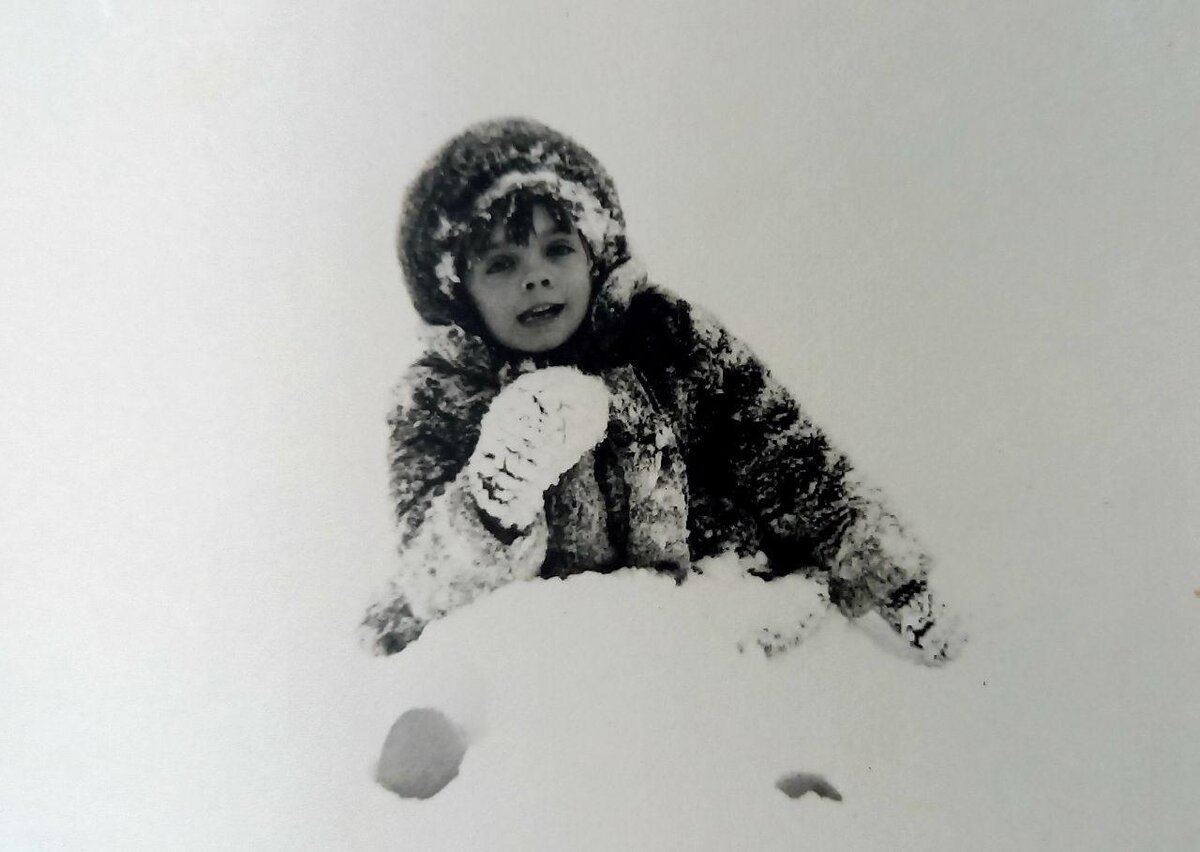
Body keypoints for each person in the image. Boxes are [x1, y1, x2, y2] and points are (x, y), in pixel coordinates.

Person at [360, 117, 965, 665]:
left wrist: (895, 581)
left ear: (596, 254)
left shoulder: (666, 338)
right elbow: (430, 567)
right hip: (560, 656)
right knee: (437, 648)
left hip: (717, 615)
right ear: (454, 290)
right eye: (501, 264)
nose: (536, 275)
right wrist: (491, 506)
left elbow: (787, 460)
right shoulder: (435, 403)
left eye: (557, 249)